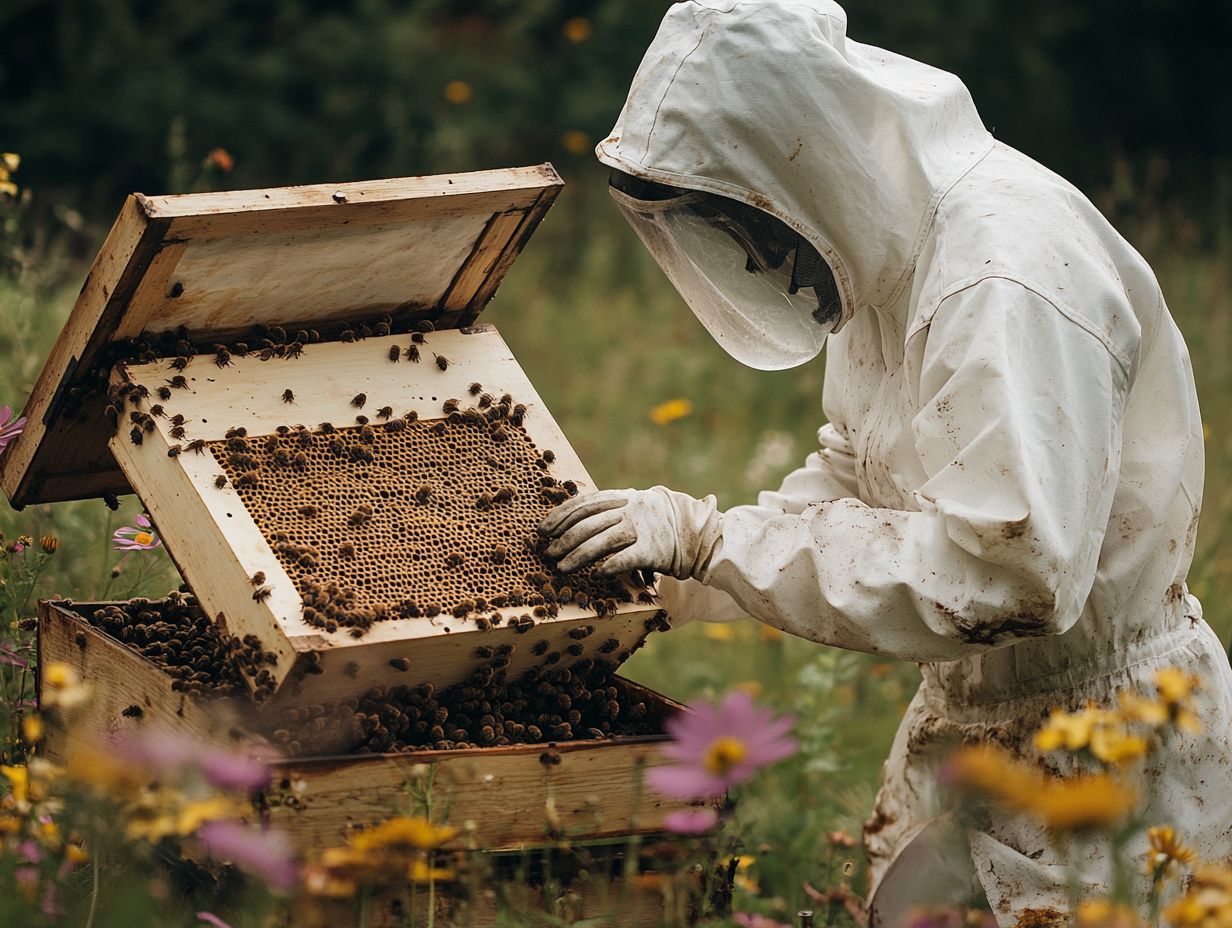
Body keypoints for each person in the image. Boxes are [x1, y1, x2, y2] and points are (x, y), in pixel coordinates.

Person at [537, 1, 1232, 924]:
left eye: (748, 226)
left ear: (804, 160)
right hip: (992, 721)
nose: (756, 264)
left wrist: (713, 544)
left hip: (1105, 746)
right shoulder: (888, 253)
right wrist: (676, 571)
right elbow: (861, 483)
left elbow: (1008, 576)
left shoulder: (998, 278)